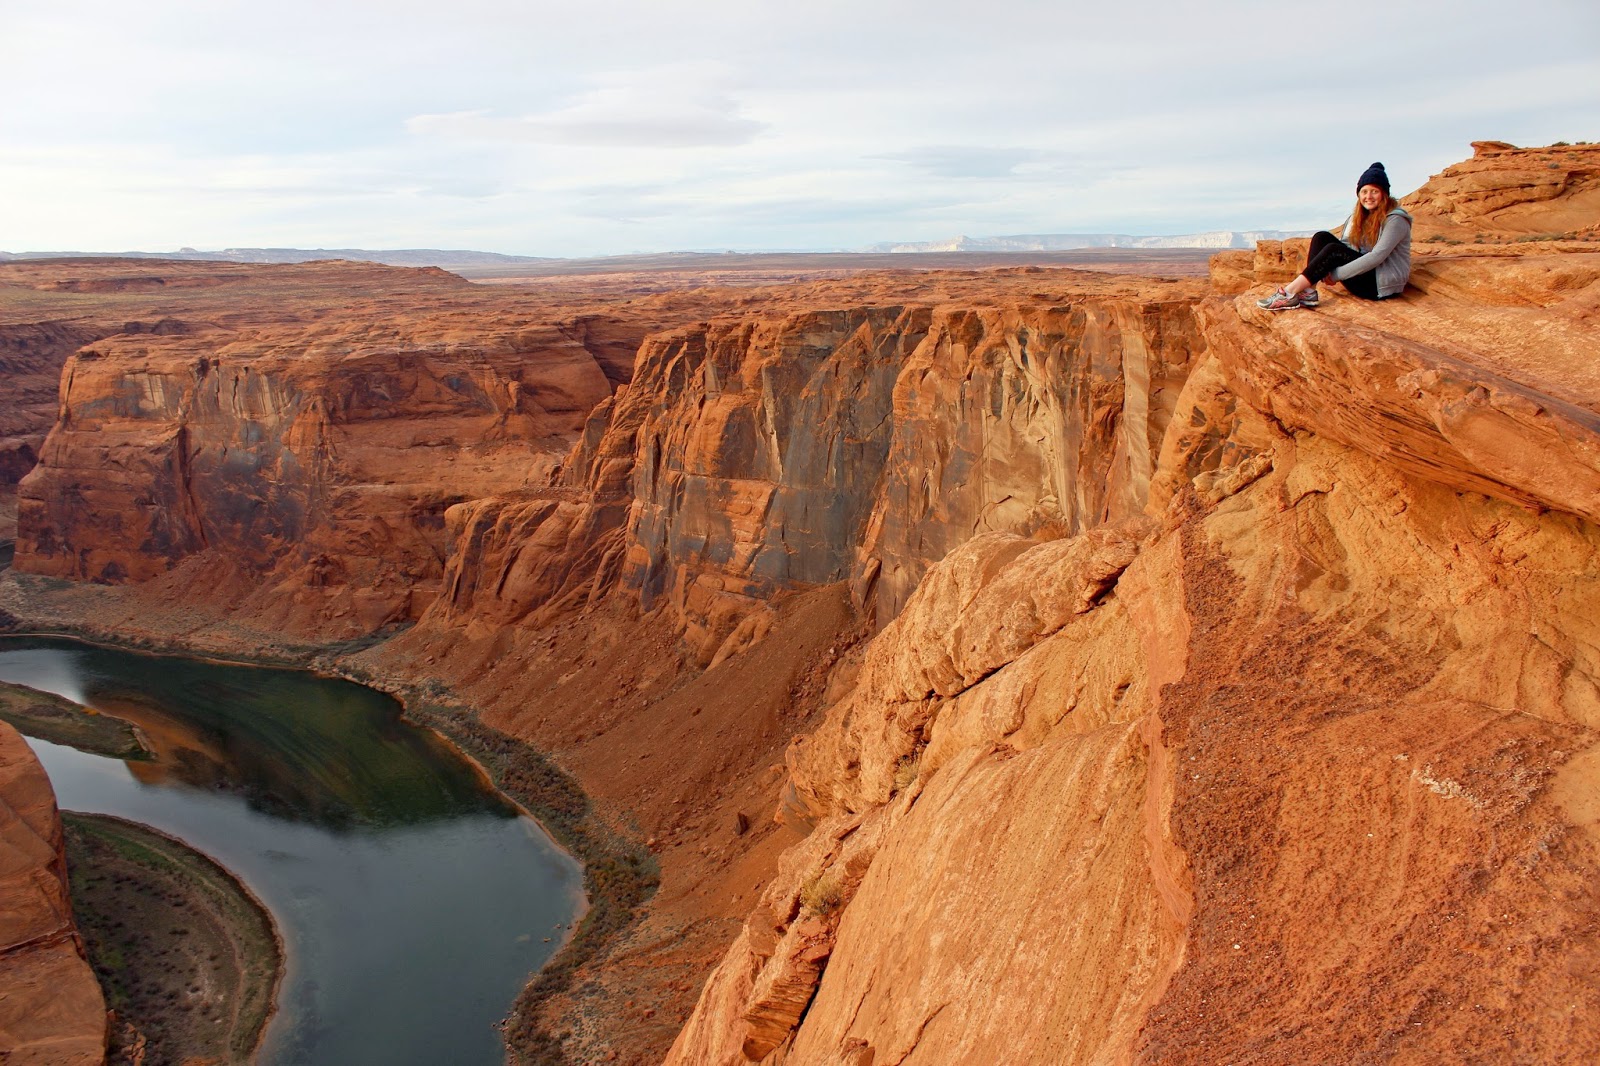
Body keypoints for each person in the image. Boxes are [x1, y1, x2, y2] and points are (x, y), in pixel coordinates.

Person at [1257, 162, 1412, 310]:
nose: (1368, 196)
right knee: (1321, 237)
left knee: (1333, 250)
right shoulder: (1362, 217)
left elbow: (1377, 256)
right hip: (1365, 275)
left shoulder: (1396, 220)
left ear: (1384, 194)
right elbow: (1348, 246)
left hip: (1379, 285)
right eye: (1364, 192)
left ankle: (1289, 292)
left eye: (1374, 191)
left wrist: (1336, 275)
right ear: (1359, 195)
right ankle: (1309, 292)